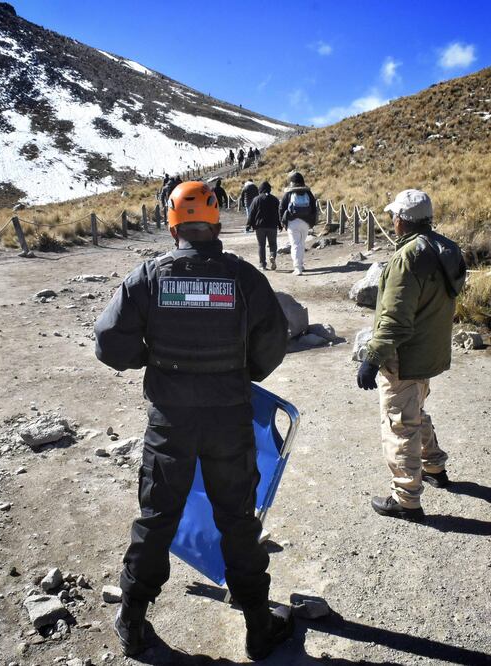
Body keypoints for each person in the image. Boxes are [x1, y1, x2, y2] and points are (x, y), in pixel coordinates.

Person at [94, 181, 293, 661]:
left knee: (158, 517)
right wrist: (243, 373)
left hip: (171, 422)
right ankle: (257, 626)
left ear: (172, 225)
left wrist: (150, 359)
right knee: (237, 521)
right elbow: (272, 340)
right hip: (229, 418)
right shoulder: (244, 278)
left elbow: (108, 342)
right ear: (216, 223)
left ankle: (133, 618)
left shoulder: (148, 276)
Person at [356, 189, 467, 522]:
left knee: (400, 424)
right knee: (414, 411)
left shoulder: (408, 258)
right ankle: (434, 466)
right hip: (428, 352)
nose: (391, 221)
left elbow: (395, 319)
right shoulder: (445, 249)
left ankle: (406, 498)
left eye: (394, 216)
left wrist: (372, 358)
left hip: (404, 357)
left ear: (402, 220)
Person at [278, 171, 317, 276]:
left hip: (292, 222)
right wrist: (312, 221)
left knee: (295, 245)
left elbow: (281, 207)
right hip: (305, 222)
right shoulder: (308, 192)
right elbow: (314, 207)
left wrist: (282, 221)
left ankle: (298, 268)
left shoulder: (289, 193)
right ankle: (300, 264)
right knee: (301, 244)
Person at [247, 181, 279, 270]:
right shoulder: (275, 199)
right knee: (273, 244)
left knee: (261, 245)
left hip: (259, 226)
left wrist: (249, 225)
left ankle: (262, 265)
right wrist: (279, 224)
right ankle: (272, 255)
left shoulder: (256, 199)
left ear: (260, 189)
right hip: (272, 226)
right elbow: (278, 213)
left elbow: (251, 213)